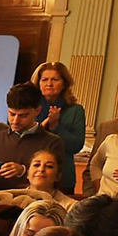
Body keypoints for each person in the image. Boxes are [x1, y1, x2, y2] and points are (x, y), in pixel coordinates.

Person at [0, 81, 67, 192]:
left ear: (37, 110)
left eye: (23, 116)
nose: (15, 121)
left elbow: (57, 180)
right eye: (12, 114)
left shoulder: (52, 142)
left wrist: (23, 171)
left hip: (32, 203)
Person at [34, 61, 86, 192]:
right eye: (44, 79)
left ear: (64, 83)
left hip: (63, 177)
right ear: (38, 83)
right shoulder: (29, 108)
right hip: (32, 175)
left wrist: (56, 126)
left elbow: (76, 145)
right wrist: (44, 125)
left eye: (55, 79)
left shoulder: (75, 110)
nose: (49, 84)